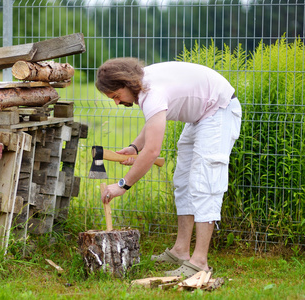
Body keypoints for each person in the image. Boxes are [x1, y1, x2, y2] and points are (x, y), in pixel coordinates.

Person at [95, 57, 242, 277]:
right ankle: (180, 251)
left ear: (127, 83)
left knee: (205, 183)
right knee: (183, 181)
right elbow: (153, 124)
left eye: (116, 96)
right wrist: (135, 147)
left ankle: (199, 261)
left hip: (218, 110)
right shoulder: (144, 86)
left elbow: (153, 151)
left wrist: (122, 185)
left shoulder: (150, 92)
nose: (117, 102)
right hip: (200, 117)